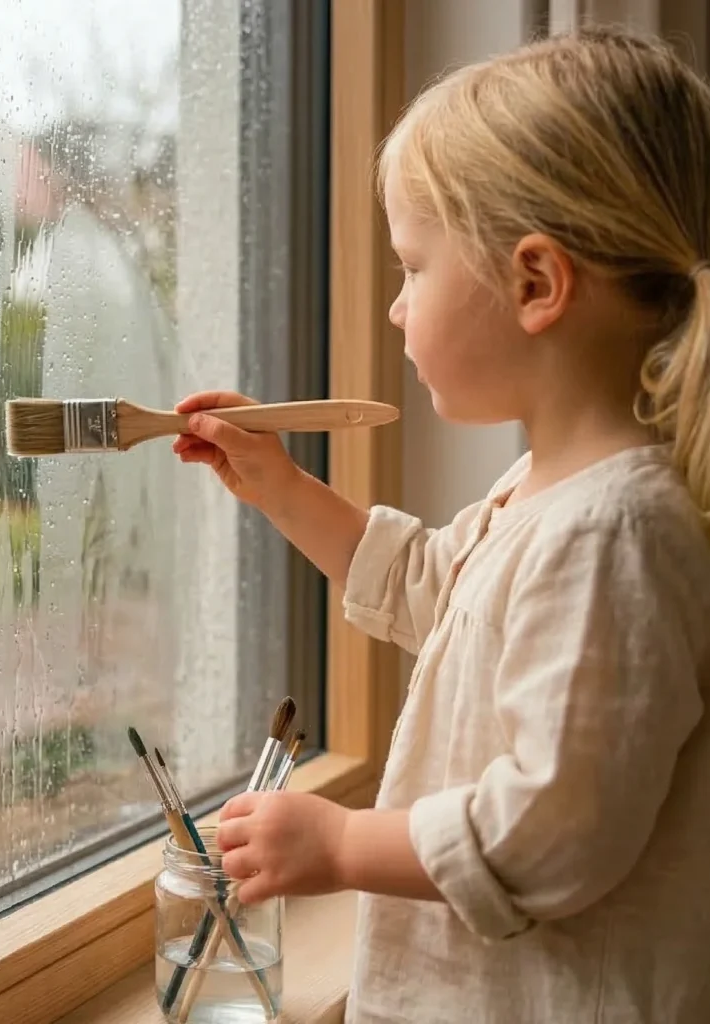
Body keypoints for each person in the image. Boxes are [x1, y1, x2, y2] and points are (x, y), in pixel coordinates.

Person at [173, 26, 710, 1024]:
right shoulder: (552, 492)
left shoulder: (612, 534)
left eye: (411, 267)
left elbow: (550, 832)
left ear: (535, 284)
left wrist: (338, 845)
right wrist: (278, 484)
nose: (392, 309)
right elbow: (440, 586)